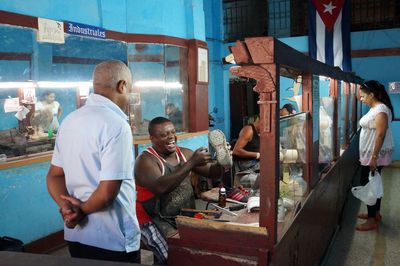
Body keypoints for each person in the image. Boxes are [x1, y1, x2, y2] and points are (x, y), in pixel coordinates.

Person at [46, 60, 141, 262]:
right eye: (129, 89)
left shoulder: (70, 120)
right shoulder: (116, 125)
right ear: (122, 86)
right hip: (112, 238)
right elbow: (107, 193)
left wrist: (66, 209)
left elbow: (54, 176)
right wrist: (80, 212)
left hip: (77, 235)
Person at [135, 116, 228, 264]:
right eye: (164, 134)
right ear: (152, 138)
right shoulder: (145, 161)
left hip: (181, 215)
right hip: (152, 219)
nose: (171, 137)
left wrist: (222, 163)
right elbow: (161, 187)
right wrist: (191, 163)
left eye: (172, 132)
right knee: (174, 257)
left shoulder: (184, 153)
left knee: (198, 250)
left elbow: (212, 173)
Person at [357, 80, 394, 231]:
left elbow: (380, 134)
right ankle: (375, 214)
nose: (361, 99)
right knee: (374, 183)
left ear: (371, 94)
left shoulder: (381, 110)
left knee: (368, 183)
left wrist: (374, 158)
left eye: (362, 96)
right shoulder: (377, 108)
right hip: (372, 154)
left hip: (374, 155)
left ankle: (372, 219)